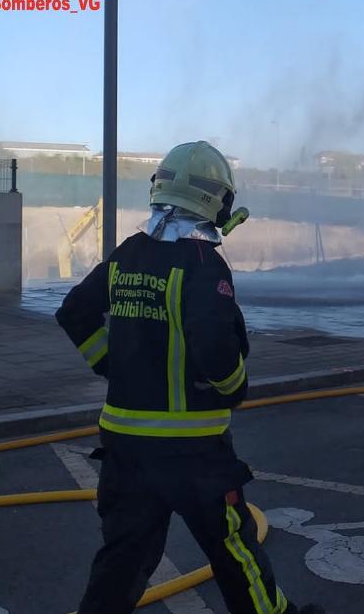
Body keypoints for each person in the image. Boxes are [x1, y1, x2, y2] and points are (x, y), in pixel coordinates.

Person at [55, 141, 325, 614]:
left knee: (123, 559)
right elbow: (217, 350)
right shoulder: (202, 264)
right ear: (217, 200)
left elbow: (74, 311)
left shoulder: (128, 254)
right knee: (235, 551)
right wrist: (234, 388)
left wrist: (110, 363)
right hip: (192, 450)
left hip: (124, 446)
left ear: (158, 189)